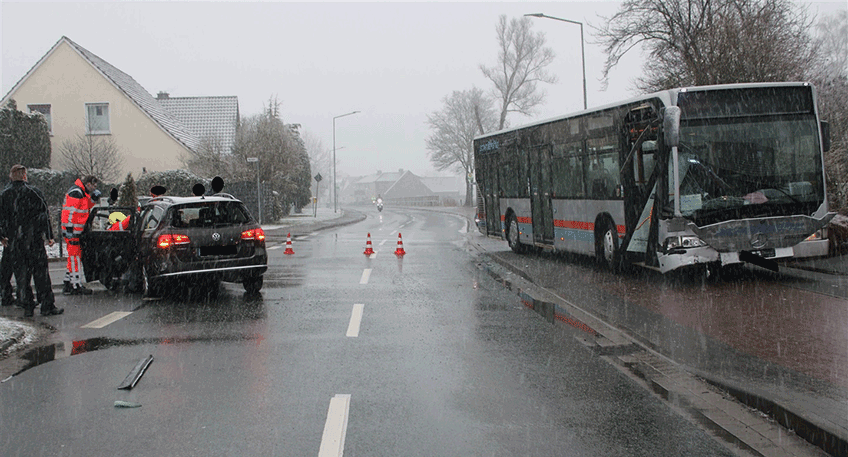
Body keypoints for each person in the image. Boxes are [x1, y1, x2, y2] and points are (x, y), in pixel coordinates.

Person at [0, 165, 63, 317]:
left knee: (22, 275)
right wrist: (49, 236)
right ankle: (46, 305)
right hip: (33, 240)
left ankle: (27, 303)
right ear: (25, 176)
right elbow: (44, 215)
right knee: (40, 273)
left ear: (11, 176)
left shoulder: (4, 195)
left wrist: (2, 236)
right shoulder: (34, 192)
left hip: (15, 241)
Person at [61, 174, 100, 295]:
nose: (94, 188)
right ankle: (75, 285)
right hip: (73, 231)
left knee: (74, 257)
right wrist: (69, 230)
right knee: (75, 258)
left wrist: (92, 200)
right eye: (93, 185)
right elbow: (70, 212)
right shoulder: (77, 193)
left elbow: (84, 208)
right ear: (88, 184)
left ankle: (68, 282)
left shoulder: (80, 192)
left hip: (74, 231)